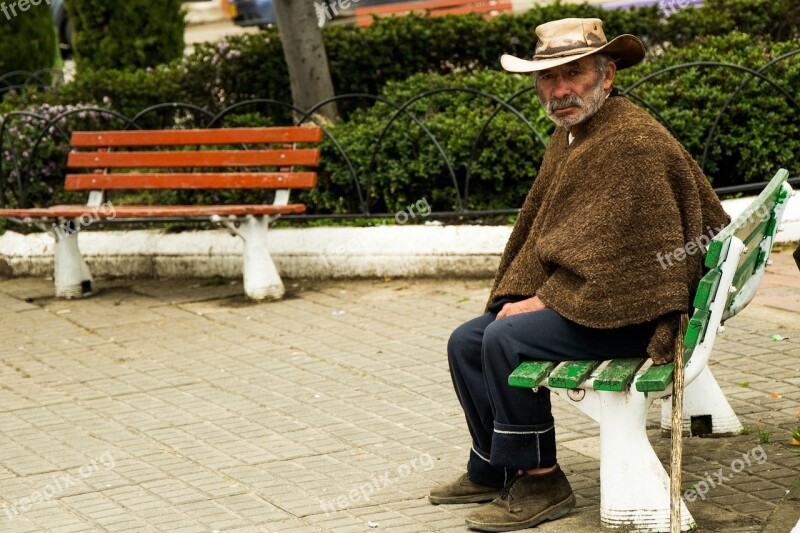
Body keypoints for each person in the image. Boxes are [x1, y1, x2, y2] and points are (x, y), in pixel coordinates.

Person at [428, 17, 730, 532]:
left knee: (504, 339)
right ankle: (494, 466)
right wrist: (538, 293)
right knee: (465, 342)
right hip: (602, 299)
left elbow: (624, 261)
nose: (561, 89)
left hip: (636, 309)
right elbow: (559, 233)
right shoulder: (576, 133)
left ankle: (541, 479)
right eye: (548, 78)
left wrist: (543, 300)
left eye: (574, 74)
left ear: (607, 76)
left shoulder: (626, 141)